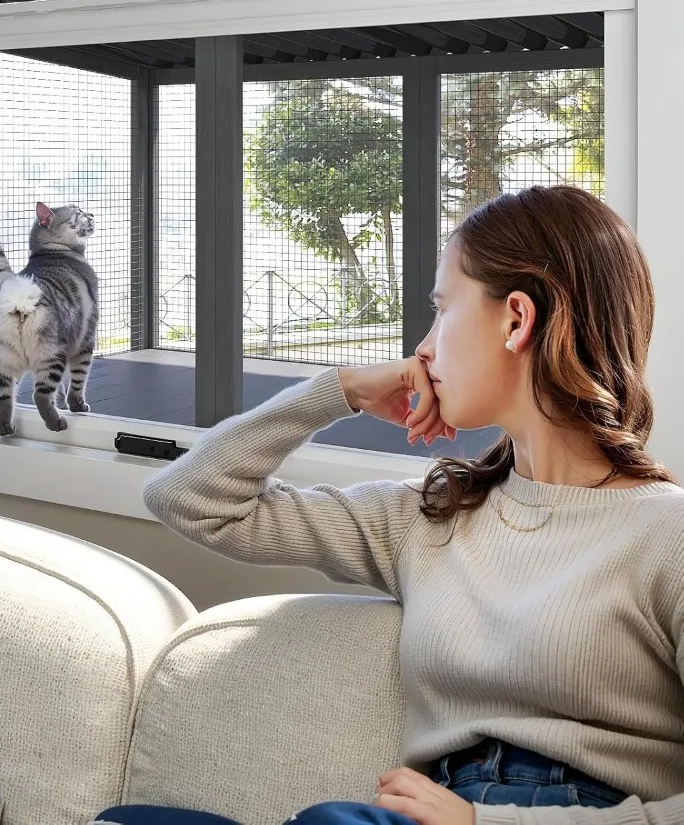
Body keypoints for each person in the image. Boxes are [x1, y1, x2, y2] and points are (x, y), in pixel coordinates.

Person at [92, 186, 684, 825]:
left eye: (441, 311)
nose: (422, 351)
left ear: (517, 319)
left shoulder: (665, 534)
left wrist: (484, 824)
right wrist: (338, 390)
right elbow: (191, 499)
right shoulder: (430, 519)